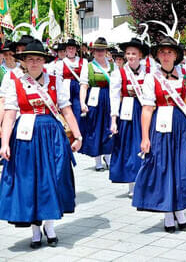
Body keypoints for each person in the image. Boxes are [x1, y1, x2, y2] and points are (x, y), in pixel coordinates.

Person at [0, 40, 82, 248]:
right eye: (30, 59)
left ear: (44, 61)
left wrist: (78, 136)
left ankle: (50, 225)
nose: (35, 62)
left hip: (52, 135)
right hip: (25, 135)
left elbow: (67, 110)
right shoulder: (15, 81)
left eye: (38, 59)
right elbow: (9, 114)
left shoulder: (56, 81)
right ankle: (36, 230)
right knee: (30, 181)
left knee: (54, 178)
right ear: (24, 62)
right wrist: (4, 143)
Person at [133, 36, 186, 233]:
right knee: (164, 167)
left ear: (176, 55)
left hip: (182, 125)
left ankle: (180, 208)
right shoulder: (152, 77)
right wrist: (145, 137)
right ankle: (169, 213)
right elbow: (147, 109)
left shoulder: (185, 74)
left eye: (169, 51)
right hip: (161, 127)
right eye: (162, 52)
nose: (166, 55)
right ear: (157, 56)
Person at [109, 38, 150, 198]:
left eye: (134, 53)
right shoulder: (119, 73)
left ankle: (145, 181)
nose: (131, 56)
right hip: (127, 113)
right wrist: (113, 119)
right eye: (128, 53)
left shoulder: (148, 72)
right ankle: (132, 184)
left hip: (144, 110)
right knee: (129, 147)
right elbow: (113, 97)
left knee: (146, 145)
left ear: (140, 55)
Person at [79, 37, 115, 171]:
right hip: (95, 100)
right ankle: (98, 160)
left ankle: (109, 157)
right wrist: (82, 102)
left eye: (103, 50)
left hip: (110, 98)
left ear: (106, 51)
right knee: (96, 128)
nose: (100, 52)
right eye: (97, 50)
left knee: (109, 127)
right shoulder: (88, 66)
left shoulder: (112, 66)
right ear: (93, 51)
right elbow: (83, 86)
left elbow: (118, 84)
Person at [52, 39, 87, 127]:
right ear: (66, 50)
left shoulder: (83, 62)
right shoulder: (60, 63)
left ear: (76, 50)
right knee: (65, 113)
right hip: (65, 90)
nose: (71, 50)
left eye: (73, 48)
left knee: (78, 114)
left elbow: (84, 81)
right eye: (69, 48)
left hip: (78, 91)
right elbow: (58, 80)